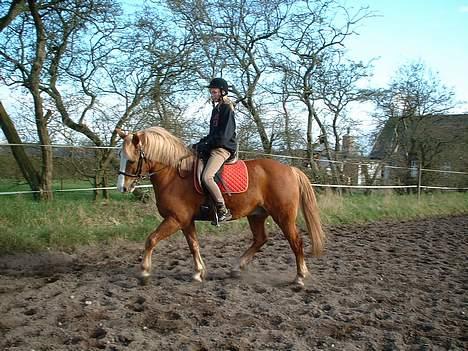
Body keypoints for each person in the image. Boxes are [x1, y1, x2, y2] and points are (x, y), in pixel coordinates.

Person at [193, 78, 237, 222]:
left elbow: (224, 136)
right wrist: (200, 143)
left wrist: (207, 145)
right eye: (211, 92)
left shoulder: (227, 109)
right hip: (214, 146)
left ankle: (222, 209)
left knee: (207, 177)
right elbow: (213, 134)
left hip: (222, 149)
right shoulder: (216, 110)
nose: (212, 94)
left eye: (214, 92)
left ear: (222, 92)